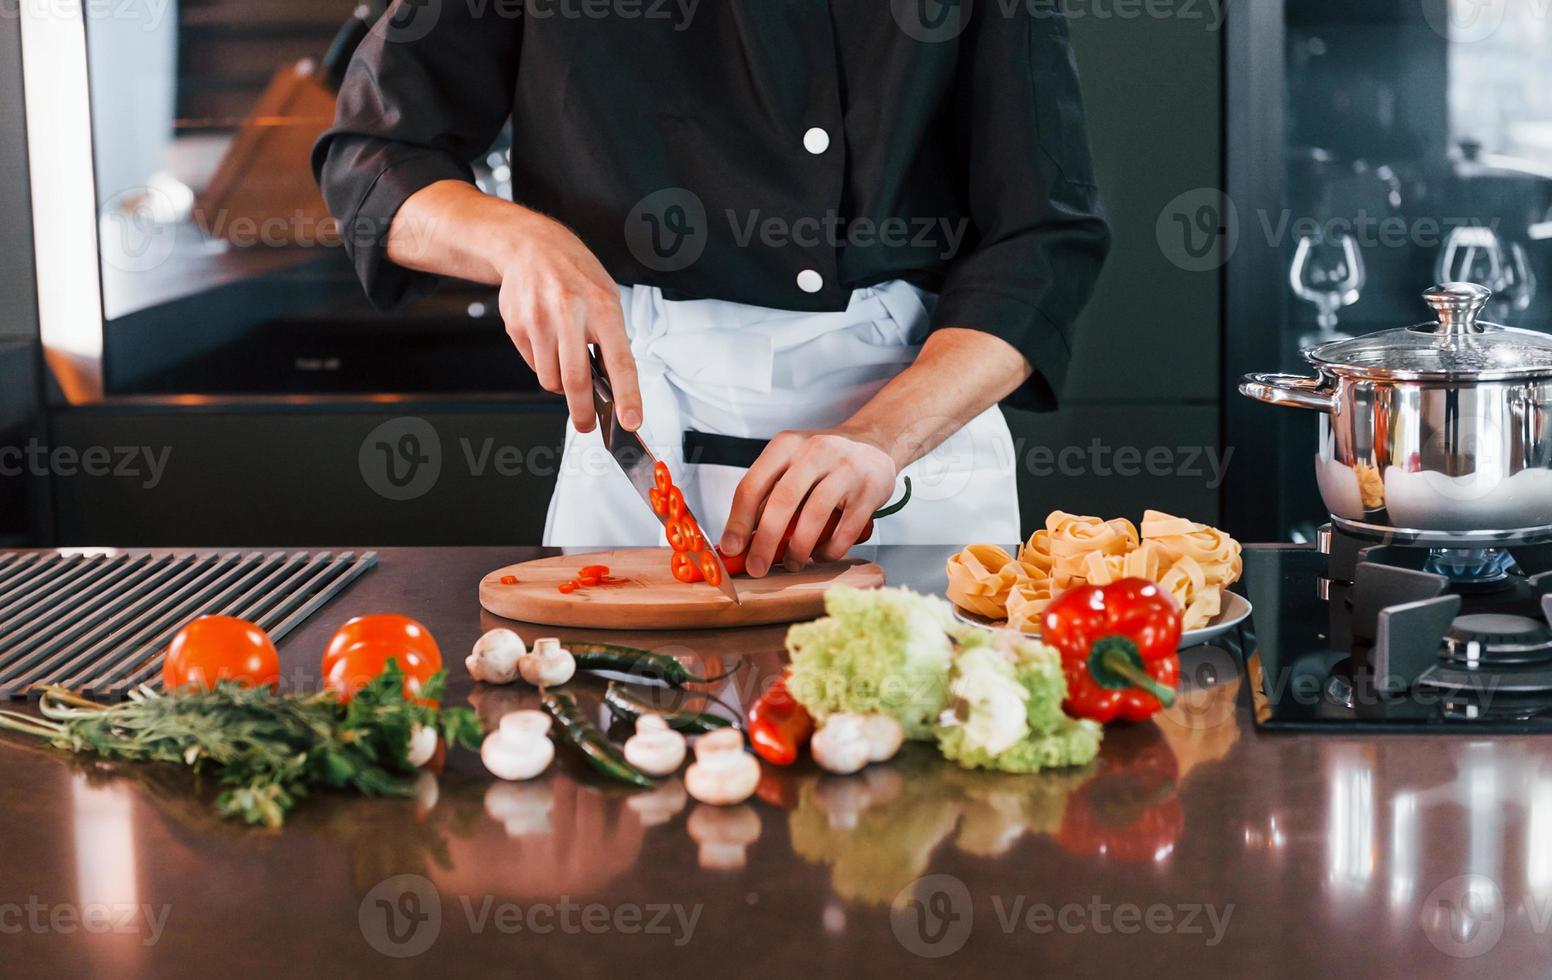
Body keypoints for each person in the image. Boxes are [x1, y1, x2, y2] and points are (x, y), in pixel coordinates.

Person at [314, 1, 1110, 577]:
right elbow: (372, 163)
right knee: (627, 772)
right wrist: (519, 239)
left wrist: (881, 438)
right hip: (642, 424)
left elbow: (1041, 238)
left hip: (913, 431)